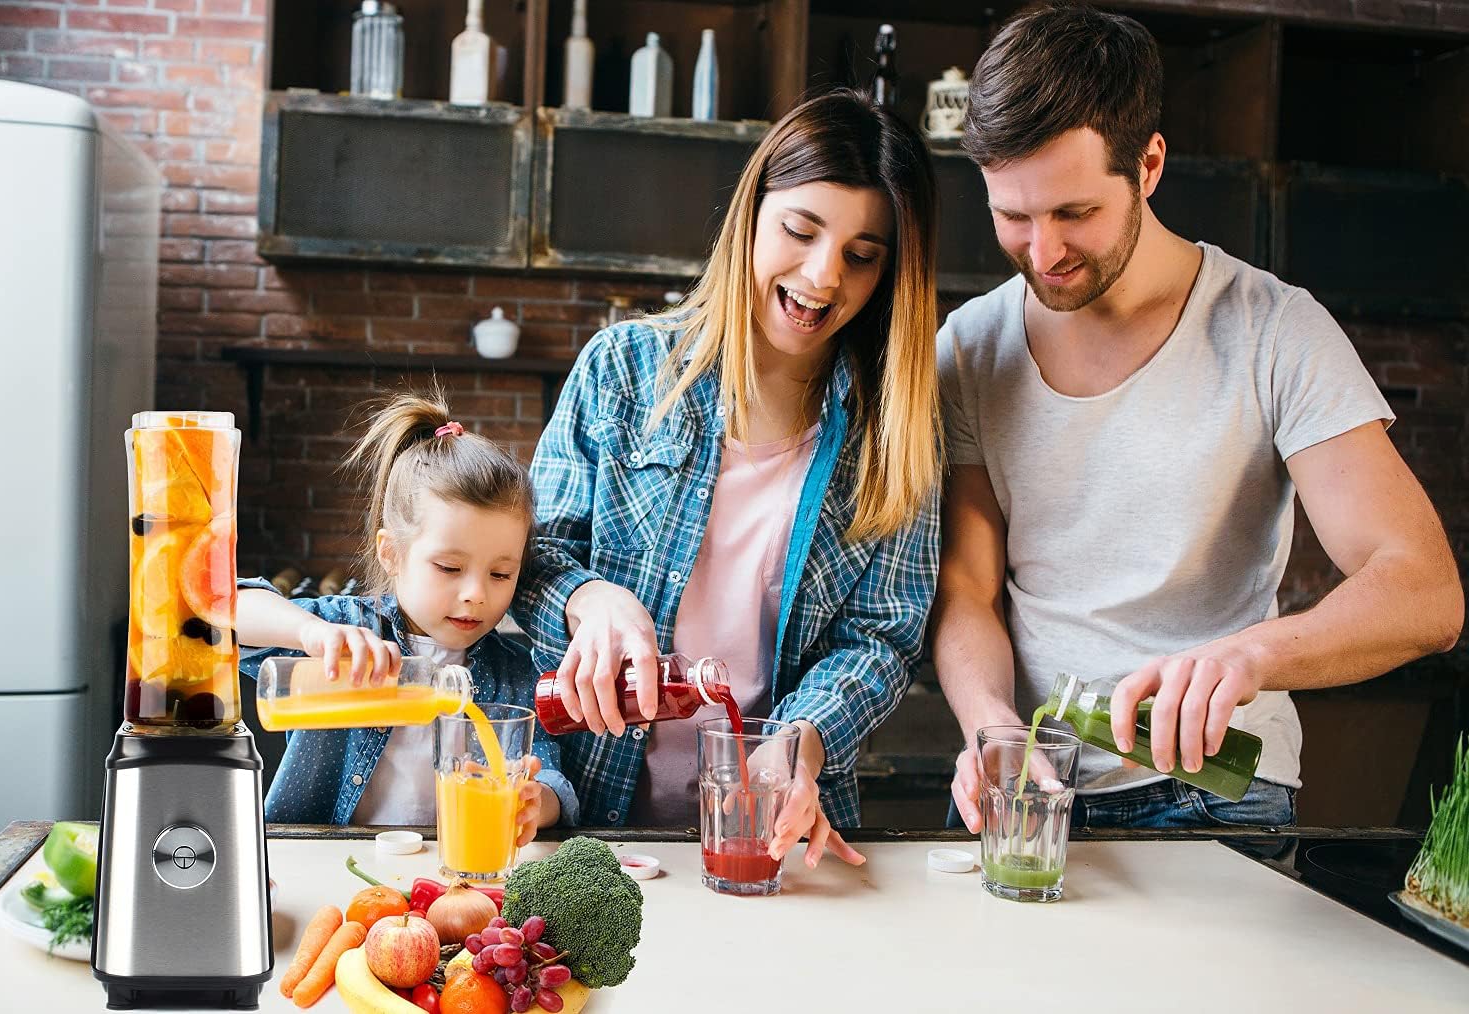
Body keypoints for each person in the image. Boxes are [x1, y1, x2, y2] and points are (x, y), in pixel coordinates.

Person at [933, 5, 1464, 831]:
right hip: (1043, 790)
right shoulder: (970, 347)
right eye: (1014, 217)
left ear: (1148, 166)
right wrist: (992, 724)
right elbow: (968, 589)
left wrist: (1252, 656)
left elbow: (1425, 593)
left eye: (1074, 213)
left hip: (1221, 786)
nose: (1042, 253)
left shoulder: (1272, 328)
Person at [511, 89, 942, 868]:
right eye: (800, 231)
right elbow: (529, 560)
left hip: (774, 835)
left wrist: (801, 739)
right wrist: (588, 599)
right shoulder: (624, 371)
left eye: (861, 255)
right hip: (581, 817)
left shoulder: (897, 433)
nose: (822, 276)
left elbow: (882, 638)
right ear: (752, 214)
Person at [237, 392, 579, 840]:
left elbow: (551, 779)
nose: (476, 593)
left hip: (450, 882)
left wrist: (537, 803)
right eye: (449, 568)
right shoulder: (349, 633)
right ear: (392, 554)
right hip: (324, 862)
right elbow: (226, 611)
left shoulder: (517, 673)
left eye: (501, 572)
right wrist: (311, 632)